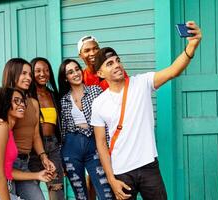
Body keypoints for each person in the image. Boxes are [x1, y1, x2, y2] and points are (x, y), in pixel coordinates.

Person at [91, 21, 202, 200]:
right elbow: (101, 143)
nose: (117, 65)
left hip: (149, 166)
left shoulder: (142, 83)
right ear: (100, 74)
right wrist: (111, 179)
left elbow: (173, 71)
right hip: (121, 171)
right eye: (109, 63)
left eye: (117, 60)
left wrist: (192, 46)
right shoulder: (98, 103)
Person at [0, 58, 56, 200]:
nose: (29, 78)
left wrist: (43, 156)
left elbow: (35, 136)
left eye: (29, 74)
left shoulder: (32, 103)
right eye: (24, 73)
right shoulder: (2, 101)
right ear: (12, 74)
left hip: (24, 163)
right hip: (8, 161)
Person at [0, 87, 53, 200]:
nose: (22, 104)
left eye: (23, 101)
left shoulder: (7, 130)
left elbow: (7, 170)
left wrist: (37, 175)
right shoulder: (1, 127)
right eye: (16, 101)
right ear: (5, 103)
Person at [58, 59, 113, 200]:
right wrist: (61, 159)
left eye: (77, 69)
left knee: (106, 192)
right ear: (65, 78)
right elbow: (62, 130)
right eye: (70, 72)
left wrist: (108, 146)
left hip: (93, 143)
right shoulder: (63, 100)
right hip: (71, 147)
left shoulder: (96, 91)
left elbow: (106, 121)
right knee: (80, 195)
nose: (76, 73)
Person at [28, 57, 65, 200]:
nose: (42, 74)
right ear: (31, 73)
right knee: (31, 192)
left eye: (46, 70)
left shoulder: (53, 95)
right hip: (33, 150)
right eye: (38, 70)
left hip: (53, 147)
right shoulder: (26, 96)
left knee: (57, 191)